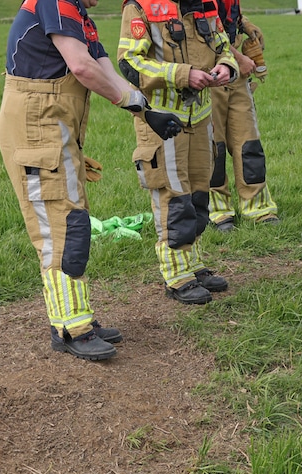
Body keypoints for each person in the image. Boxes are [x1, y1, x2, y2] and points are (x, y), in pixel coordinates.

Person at [0, 0, 182, 361]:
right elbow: (81, 67)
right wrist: (132, 104)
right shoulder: (55, 2)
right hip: (38, 127)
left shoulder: (79, 14)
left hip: (53, 124)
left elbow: (103, 68)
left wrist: (145, 108)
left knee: (73, 220)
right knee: (61, 227)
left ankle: (75, 319)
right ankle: (70, 327)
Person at [117, 0, 238, 305]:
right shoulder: (140, 7)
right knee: (172, 196)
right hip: (161, 120)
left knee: (198, 194)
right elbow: (130, 62)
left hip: (200, 117)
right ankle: (176, 274)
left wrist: (227, 66)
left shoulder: (207, 5)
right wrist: (182, 74)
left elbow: (224, 46)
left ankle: (194, 264)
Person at [208, 0, 279, 232]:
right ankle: (217, 211)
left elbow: (226, 16)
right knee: (212, 145)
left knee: (248, 141)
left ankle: (258, 207)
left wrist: (244, 24)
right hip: (209, 70)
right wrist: (239, 58)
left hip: (236, 74)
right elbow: (203, 31)